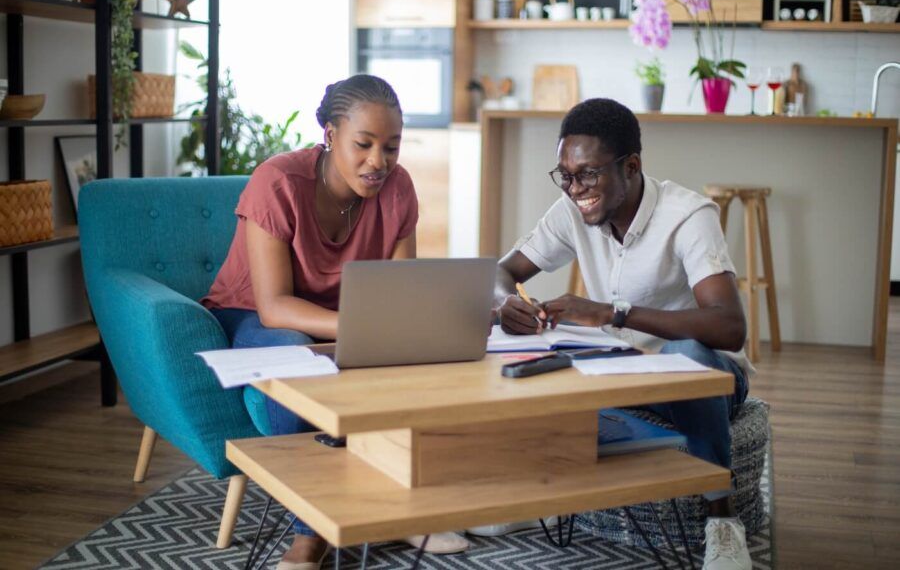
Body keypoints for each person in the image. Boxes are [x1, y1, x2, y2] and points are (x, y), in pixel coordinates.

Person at [202, 75, 469, 570]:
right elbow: (275, 307)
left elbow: (400, 290)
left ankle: (399, 504)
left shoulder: (398, 187)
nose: (379, 162)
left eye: (391, 147)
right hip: (256, 314)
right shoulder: (278, 181)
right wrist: (361, 329)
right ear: (329, 134)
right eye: (363, 145)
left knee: (414, 359)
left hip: (346, 316)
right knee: (291, 349)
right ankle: (311, 535)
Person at [492, 98, 752, 570]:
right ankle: (530, 495)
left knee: (685, 351)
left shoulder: (689, 216)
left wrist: (614, 313)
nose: (575, 190)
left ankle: (722, 520)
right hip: (621, 370)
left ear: (631, 167)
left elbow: (729, 327)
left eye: (588, 174)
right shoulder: (571, 208)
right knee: (530, 355)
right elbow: (503, 271)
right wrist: (510, 303)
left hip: (705, 378)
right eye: (566, 176)